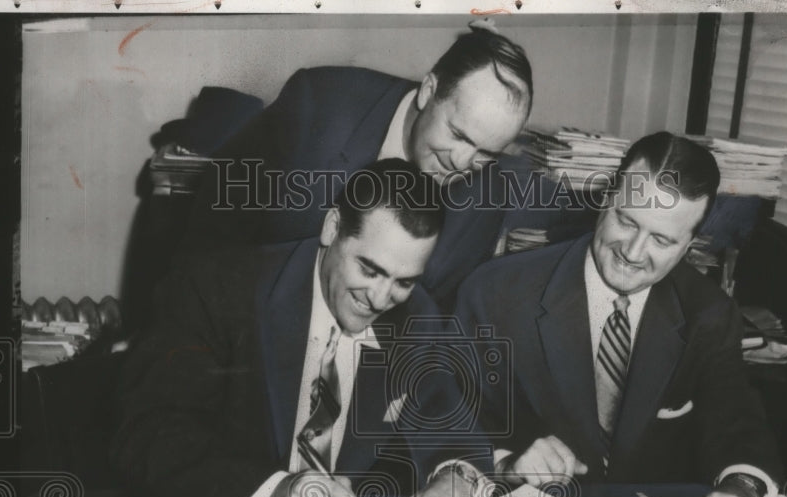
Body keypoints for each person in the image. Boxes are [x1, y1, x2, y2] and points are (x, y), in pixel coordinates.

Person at [113, 159, 490, 497]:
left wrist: (456, 480)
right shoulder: (219, 288)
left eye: (404, 281)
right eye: (369, 269)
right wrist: (273, 492)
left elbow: (455, 430)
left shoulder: (416, 318)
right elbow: (149, 434)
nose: (381, 300)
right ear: (331, 228)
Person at [454, 132, 784, 497]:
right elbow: (445, 415)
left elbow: (736, 420)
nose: (633, 251)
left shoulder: (708, 312)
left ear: (688, 245)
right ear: (606, 199)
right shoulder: (496, 293)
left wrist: (741, 487)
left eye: (662, 240)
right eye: (627, 221)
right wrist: (505, 463)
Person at [179, 23, 592, 311]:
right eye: (459, 135)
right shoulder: (320, 104)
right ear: (428, 91)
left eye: (487, 152)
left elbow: (434, 313)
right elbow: (212, 227)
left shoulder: (488, 193)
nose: (464, 163)